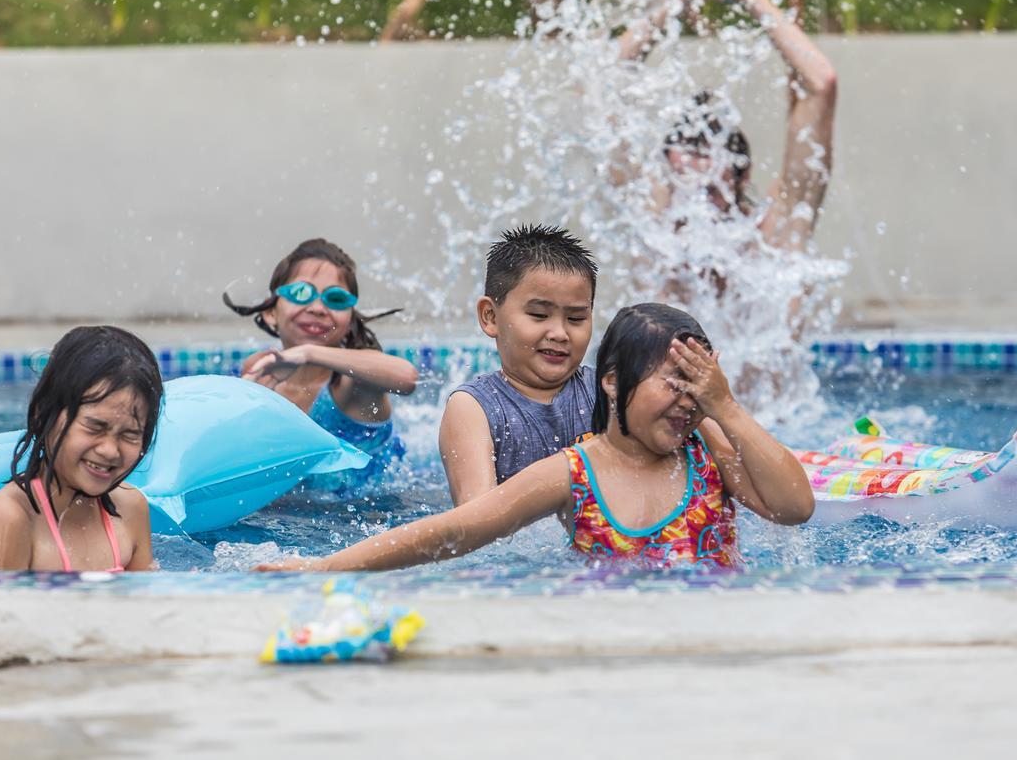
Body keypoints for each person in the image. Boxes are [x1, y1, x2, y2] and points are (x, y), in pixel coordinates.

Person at [255, 303, 813, 572]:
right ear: (614, 382)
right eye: (674, 384)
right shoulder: (575, 474)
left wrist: (728, 409)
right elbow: (455, 531)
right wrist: (321, 567)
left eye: (699, 387)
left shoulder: (708, 450)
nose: (687, 401)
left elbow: (795, 507)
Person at [618, 0, 838, 255]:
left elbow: (822, 83)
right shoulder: (653, 235)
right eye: (684, 184)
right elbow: (614, 72)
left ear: (742, 174)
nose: (696, 187)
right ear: (664, 173)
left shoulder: (773, 236)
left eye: (710, 190)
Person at [0, 326, 161, 572]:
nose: (110, 450)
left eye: (130, 435)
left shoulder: (131, 508)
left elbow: (148, 605)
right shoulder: (10, 518)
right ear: (44, 412)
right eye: (94, 427)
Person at [224, 238, 418, 484]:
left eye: (335, 299)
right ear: (271, 313)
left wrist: (308, 352)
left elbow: (407, 377)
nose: (317, 307)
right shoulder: (260, 371)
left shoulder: (351, 386)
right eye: (300, 293)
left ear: (349, 321)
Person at [439, 224, 598, 506]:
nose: (560, 333)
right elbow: (477, 520)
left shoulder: (605, 392)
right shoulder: (474, 408)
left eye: (575, 319)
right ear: (490, 316)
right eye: (539, 315)